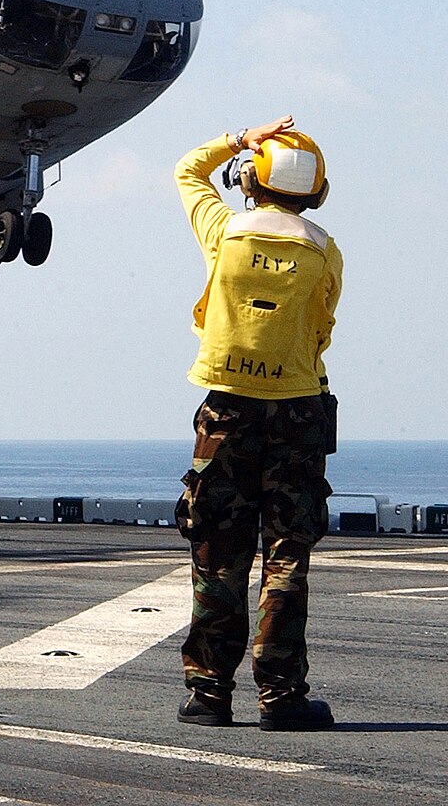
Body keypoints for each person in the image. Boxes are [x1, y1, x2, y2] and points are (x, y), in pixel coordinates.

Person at [173, 115, 342, 732]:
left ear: (250, 179)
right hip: (298, 409)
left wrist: (239, 138)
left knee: (217, 548)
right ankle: (281, 696)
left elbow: (188, 169)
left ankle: (209, 694)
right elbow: (323, 327)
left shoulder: (226, 233)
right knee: (287, 553)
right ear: (315, 190)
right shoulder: (324, 249)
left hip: (226, 410)